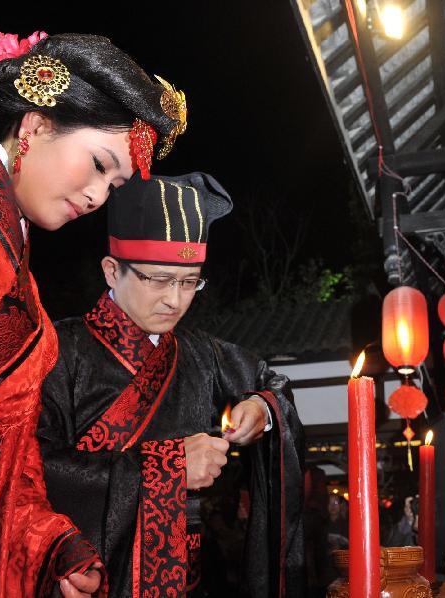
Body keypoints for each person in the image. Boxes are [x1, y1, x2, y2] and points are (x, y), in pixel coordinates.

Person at [0, 31, 184, 597]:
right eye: (96, 164)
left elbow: (12, 466)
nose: (96, 197)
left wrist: (50, 545)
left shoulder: (33, 301)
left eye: (111, 186)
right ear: (35, 125)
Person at [36, 172, 305, 597]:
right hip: (89, 576)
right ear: (112, 270)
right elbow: (30, 467)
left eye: (189, 282)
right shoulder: (55, 350)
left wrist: (260, 410)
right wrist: (170, 467)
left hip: (189, 579)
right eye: (158, 279)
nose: (174, 300)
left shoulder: (202, 354)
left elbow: (270, 385)